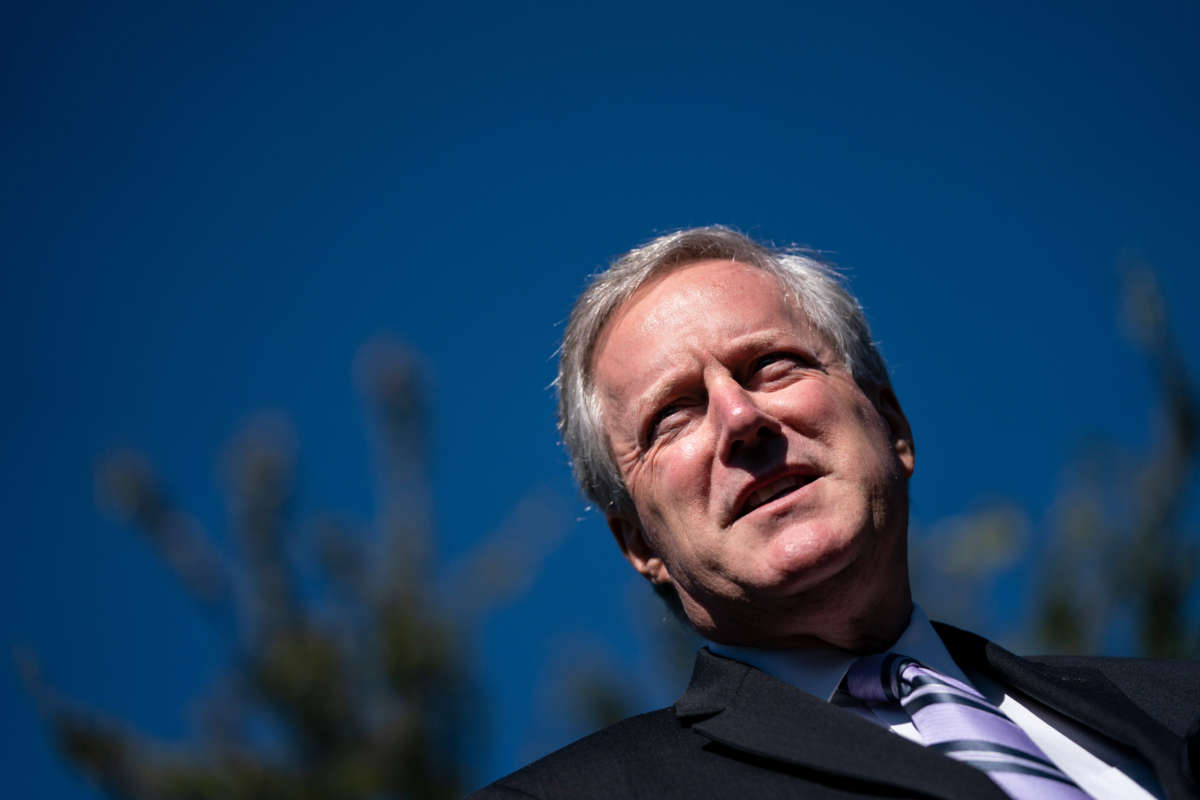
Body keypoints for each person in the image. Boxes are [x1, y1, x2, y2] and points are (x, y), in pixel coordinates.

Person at [469, 227, 1199, 800]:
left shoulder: (1177, 701)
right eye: (674, 416)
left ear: (893, 427)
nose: (739, 418)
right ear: (638, 542)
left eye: (773, 366)